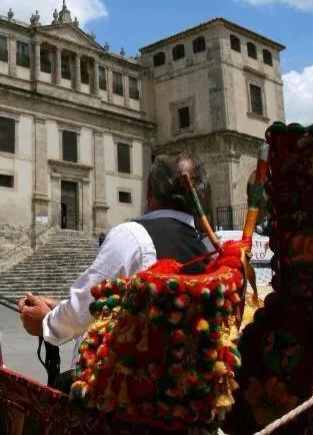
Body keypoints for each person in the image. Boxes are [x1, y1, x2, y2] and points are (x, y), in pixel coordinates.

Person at [19, 152, 210, 392]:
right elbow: (130, 307)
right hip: (181, 391)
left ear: (150, 190)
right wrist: (59, 305)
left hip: (127, 393)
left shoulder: (133, 236)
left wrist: (46, 323)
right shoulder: (206, 252)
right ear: (197, 195)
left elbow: (84, 309)